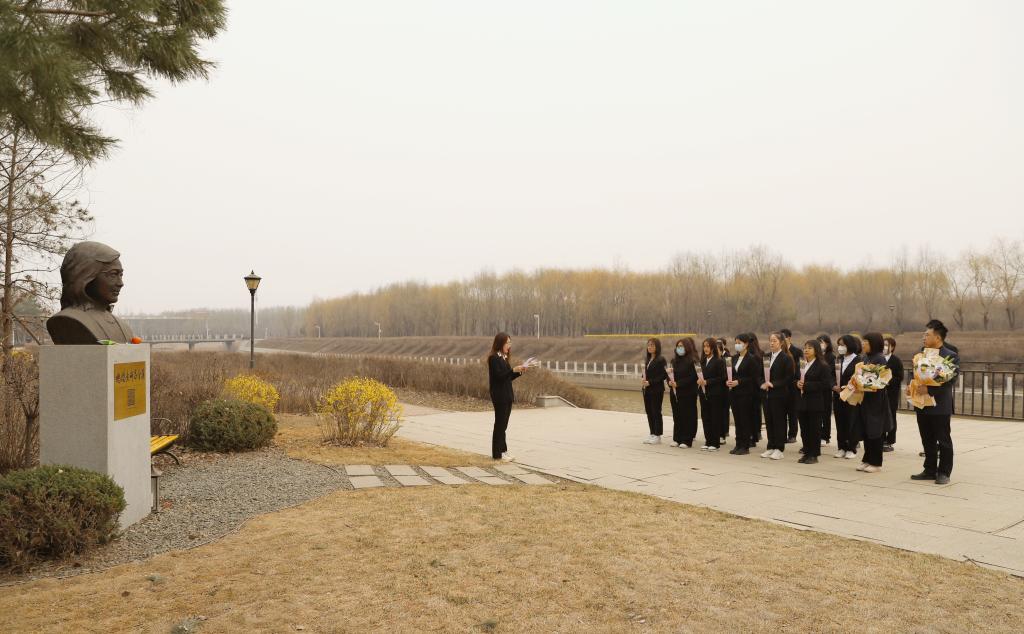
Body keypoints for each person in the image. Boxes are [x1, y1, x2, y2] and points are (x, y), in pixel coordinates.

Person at [910, 320, 960, 485]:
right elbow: (916, 375)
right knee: (927, 439)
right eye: (924, 335)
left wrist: (930, 390)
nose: (923, 337)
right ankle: (929, 470)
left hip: (939, 405)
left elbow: (949, 380)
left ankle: (944, 472)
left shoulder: (950, 355)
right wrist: (912, 387)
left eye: (927, 335)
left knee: (943, 440)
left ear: (938, 337)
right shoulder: (921, 354)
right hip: (922, 404)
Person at [487, 332, 529, 461]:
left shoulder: (504, 357)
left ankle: (503, 451)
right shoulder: (494, 358)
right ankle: (497, 454)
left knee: (503, 425)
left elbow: (508, 377)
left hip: (507, 395)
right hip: (499, 396)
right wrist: (512, 370)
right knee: (500, 425)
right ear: (500, 343)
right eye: (507, 343)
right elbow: (499, 377)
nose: (509, 345)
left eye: (510, 342)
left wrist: (519, 372)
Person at [852, 332, 890, 473]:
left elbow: (879, 380)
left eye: (866, 342)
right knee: (866, 431)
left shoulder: (880, 358)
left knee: (875, 432)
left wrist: (863, 382)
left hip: (876, 401)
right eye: (863, 341)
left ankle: (876, 462)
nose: (863, 344)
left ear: (874, 343)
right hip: (865, 399)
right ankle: (867, 459)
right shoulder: (865, 357)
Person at [760, 332, 795, 460]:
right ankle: (771, 446)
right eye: (770, 340)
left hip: (779, 395)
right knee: (769, 421)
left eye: (774, 341)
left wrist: (774, 384)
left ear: (781, 343)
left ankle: (779, 448)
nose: (772, 343)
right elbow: (759, 374)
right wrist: (762, 383)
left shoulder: (786, 358)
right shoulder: (766, 357)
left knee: (779, 421)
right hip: (766, 394)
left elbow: (789, 378)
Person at [797, 340, 830, 464]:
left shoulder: (822, 365)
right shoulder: (801, 364)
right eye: (805, 348)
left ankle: (814, 454)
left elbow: (825, 384)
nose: (806, 350)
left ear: (816, 350)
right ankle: (806, 452)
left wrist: (807, 385)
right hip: (802, 401)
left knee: (814, 429)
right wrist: (796, 383)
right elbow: (795, 378)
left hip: (815, 402)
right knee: (804, 429)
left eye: (810, 348)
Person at [726, 333, 759, 455]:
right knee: (738, 420)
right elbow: (730, 373)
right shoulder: (733, 358)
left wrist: (739, 382)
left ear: (746, 344)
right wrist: (729, 381)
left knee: (745, 419)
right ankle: (738, 444)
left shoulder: (752, 359)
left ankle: (745, 446)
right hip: (734, 393)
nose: (737, 345)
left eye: (739, 343)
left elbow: (753, 378)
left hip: (746, 394)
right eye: (736, 343)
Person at [833, 334, 862, 460]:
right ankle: (841, 447)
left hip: (851, 396)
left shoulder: (858, 360)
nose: (840, 347)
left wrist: (848, 387)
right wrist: (833, 386)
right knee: (840, 421)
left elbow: (859, 378)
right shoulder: (838, 359)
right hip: (838, 395)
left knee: (851, 421)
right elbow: (830, 374)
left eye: (842, 345)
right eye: (839, 345)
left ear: (849, 345)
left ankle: (851, 448)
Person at [668, 338, 700, 448]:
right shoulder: (674, 361)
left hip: (688, 393)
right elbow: (670, 375)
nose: (679, 348)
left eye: (681, 346)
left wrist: (679, 384)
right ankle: (677, 438)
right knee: (677, 416)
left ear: (687, 347)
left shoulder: (692, 361)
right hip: (675, 392)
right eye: (678, 346)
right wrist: (670, 382)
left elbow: (693, 377)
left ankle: (687, 440)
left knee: (687, 416)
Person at [699, 337, 727, 451]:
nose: (706, 348)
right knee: (705, 417)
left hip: (715, 393)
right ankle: (708, 440)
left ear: (713, 348)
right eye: (704, 346)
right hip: (703, 393)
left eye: (708, 346)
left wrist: (707, 382)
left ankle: (715, 443)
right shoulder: (702, 361)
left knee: (715, 417)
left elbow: (722, 378)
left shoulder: (719, 361)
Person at [642, 338, 668, 444]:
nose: (650, 347)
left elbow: (664, 375)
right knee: (649, 411)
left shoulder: (661, 359)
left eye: (652, 345)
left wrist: (651, 382)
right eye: (648, 345)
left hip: (656, 389)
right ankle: (652, 433)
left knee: (656, 411)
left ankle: (658, 435)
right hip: (646, 389)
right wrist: (643, 379)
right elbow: (645, 373)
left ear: (657, 347)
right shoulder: (647, 359)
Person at [780, 328, 802, 443]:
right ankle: (782, 435)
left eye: (783, 338)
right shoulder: (778, 352)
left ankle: (792, 434)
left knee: (792, 412)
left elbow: (800, 368)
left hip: (793, 386)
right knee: (782, 412)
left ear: (789, 338)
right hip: (781, 386)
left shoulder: (797, 351)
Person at [883, 336, 904, 452]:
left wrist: (888, 381)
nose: (884, 347)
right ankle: (881, 438)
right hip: (879, 393)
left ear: (892, 347)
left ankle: (890, 440)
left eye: (887, 345)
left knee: (891, 416)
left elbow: (899, 377)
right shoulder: (878, 359)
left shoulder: (896, 361)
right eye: (883, 344)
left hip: (891, 393)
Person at [816, 334, 837, 446]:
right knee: (817, 414)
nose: (820, 344)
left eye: (822, 342)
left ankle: (825, 436)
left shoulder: (831, 357)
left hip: (826, 389)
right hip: (816, 388)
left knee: (825, 414)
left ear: (827, 344)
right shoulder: (816, 356)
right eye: (818, 342)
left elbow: (831, 372)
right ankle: (817, 435)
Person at [747, 332, 765, 446]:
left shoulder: (757, 355)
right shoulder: (760, 353)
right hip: (755, 387)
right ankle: (755, 434)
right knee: (755, 412)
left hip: (753, 387)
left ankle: (753, 435)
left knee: (752, 412)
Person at [717, 337, 732, 443]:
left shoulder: (726, 359)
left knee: (723, 411)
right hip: (715, 390)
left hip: (724, 389)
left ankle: (724, 432)